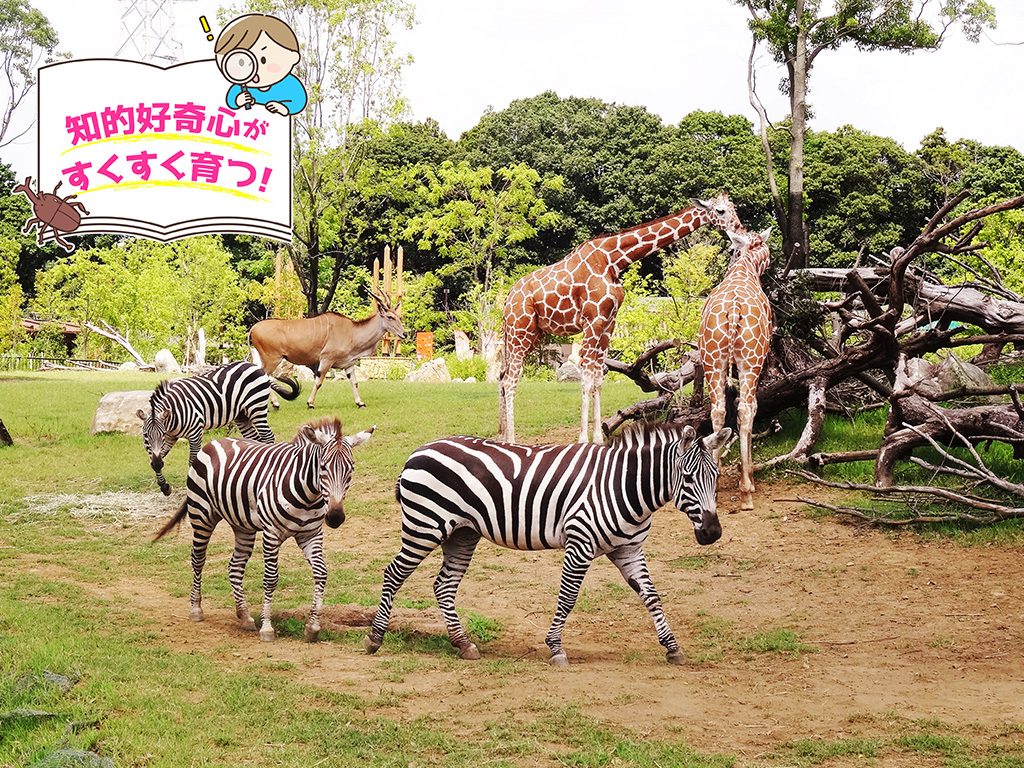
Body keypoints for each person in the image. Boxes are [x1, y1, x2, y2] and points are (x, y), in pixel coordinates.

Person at [215, 14, 307, 116]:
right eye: (241, 62)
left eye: (263, 60)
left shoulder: (290, 84)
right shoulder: (242, 86)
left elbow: (299, 102)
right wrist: (238, 100)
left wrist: (284, 108)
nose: (254, 69)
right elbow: (231, 99)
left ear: (292, 57)